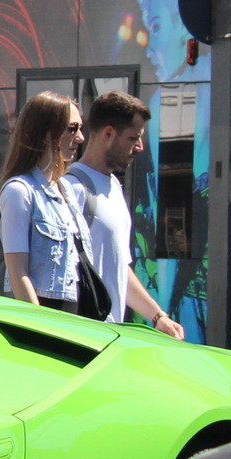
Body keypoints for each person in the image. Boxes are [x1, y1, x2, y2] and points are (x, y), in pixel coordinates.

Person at [66, 91, 185, 339]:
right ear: (108, 134)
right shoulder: (72, 189)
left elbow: (118, 267)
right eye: (133, 138)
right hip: (82, 336)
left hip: (109, 336)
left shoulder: (113, 187)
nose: (140, 147)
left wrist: (157, 317)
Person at [0, 91, 93, 313]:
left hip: (77, 318)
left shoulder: (66, 189)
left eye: (80, 128)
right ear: (46, 133)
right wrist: (40, 327)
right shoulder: (19, 191)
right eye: (72, 128)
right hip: (44, 317)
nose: (80, 138)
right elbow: (18, 273)